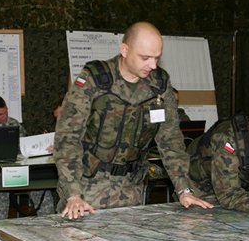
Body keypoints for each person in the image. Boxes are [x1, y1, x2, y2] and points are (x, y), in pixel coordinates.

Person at [54, 21, 213, 220]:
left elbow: (170, 141)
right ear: (125, 50)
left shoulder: (159, 85)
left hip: (132, 191)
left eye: (157, 58)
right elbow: (68, 138)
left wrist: (184, 190)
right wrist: (73, 193)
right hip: (86, 191)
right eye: (145, 58)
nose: (153, 65)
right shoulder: (94, 79)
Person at [0, 94, 55, 217]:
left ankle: (48, 222)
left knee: (40, 187)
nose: (5, 117)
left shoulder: (13, 123)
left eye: (6, 112)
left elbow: (24, 146)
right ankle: (0, 228)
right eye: (0, 115)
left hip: (19, 169)